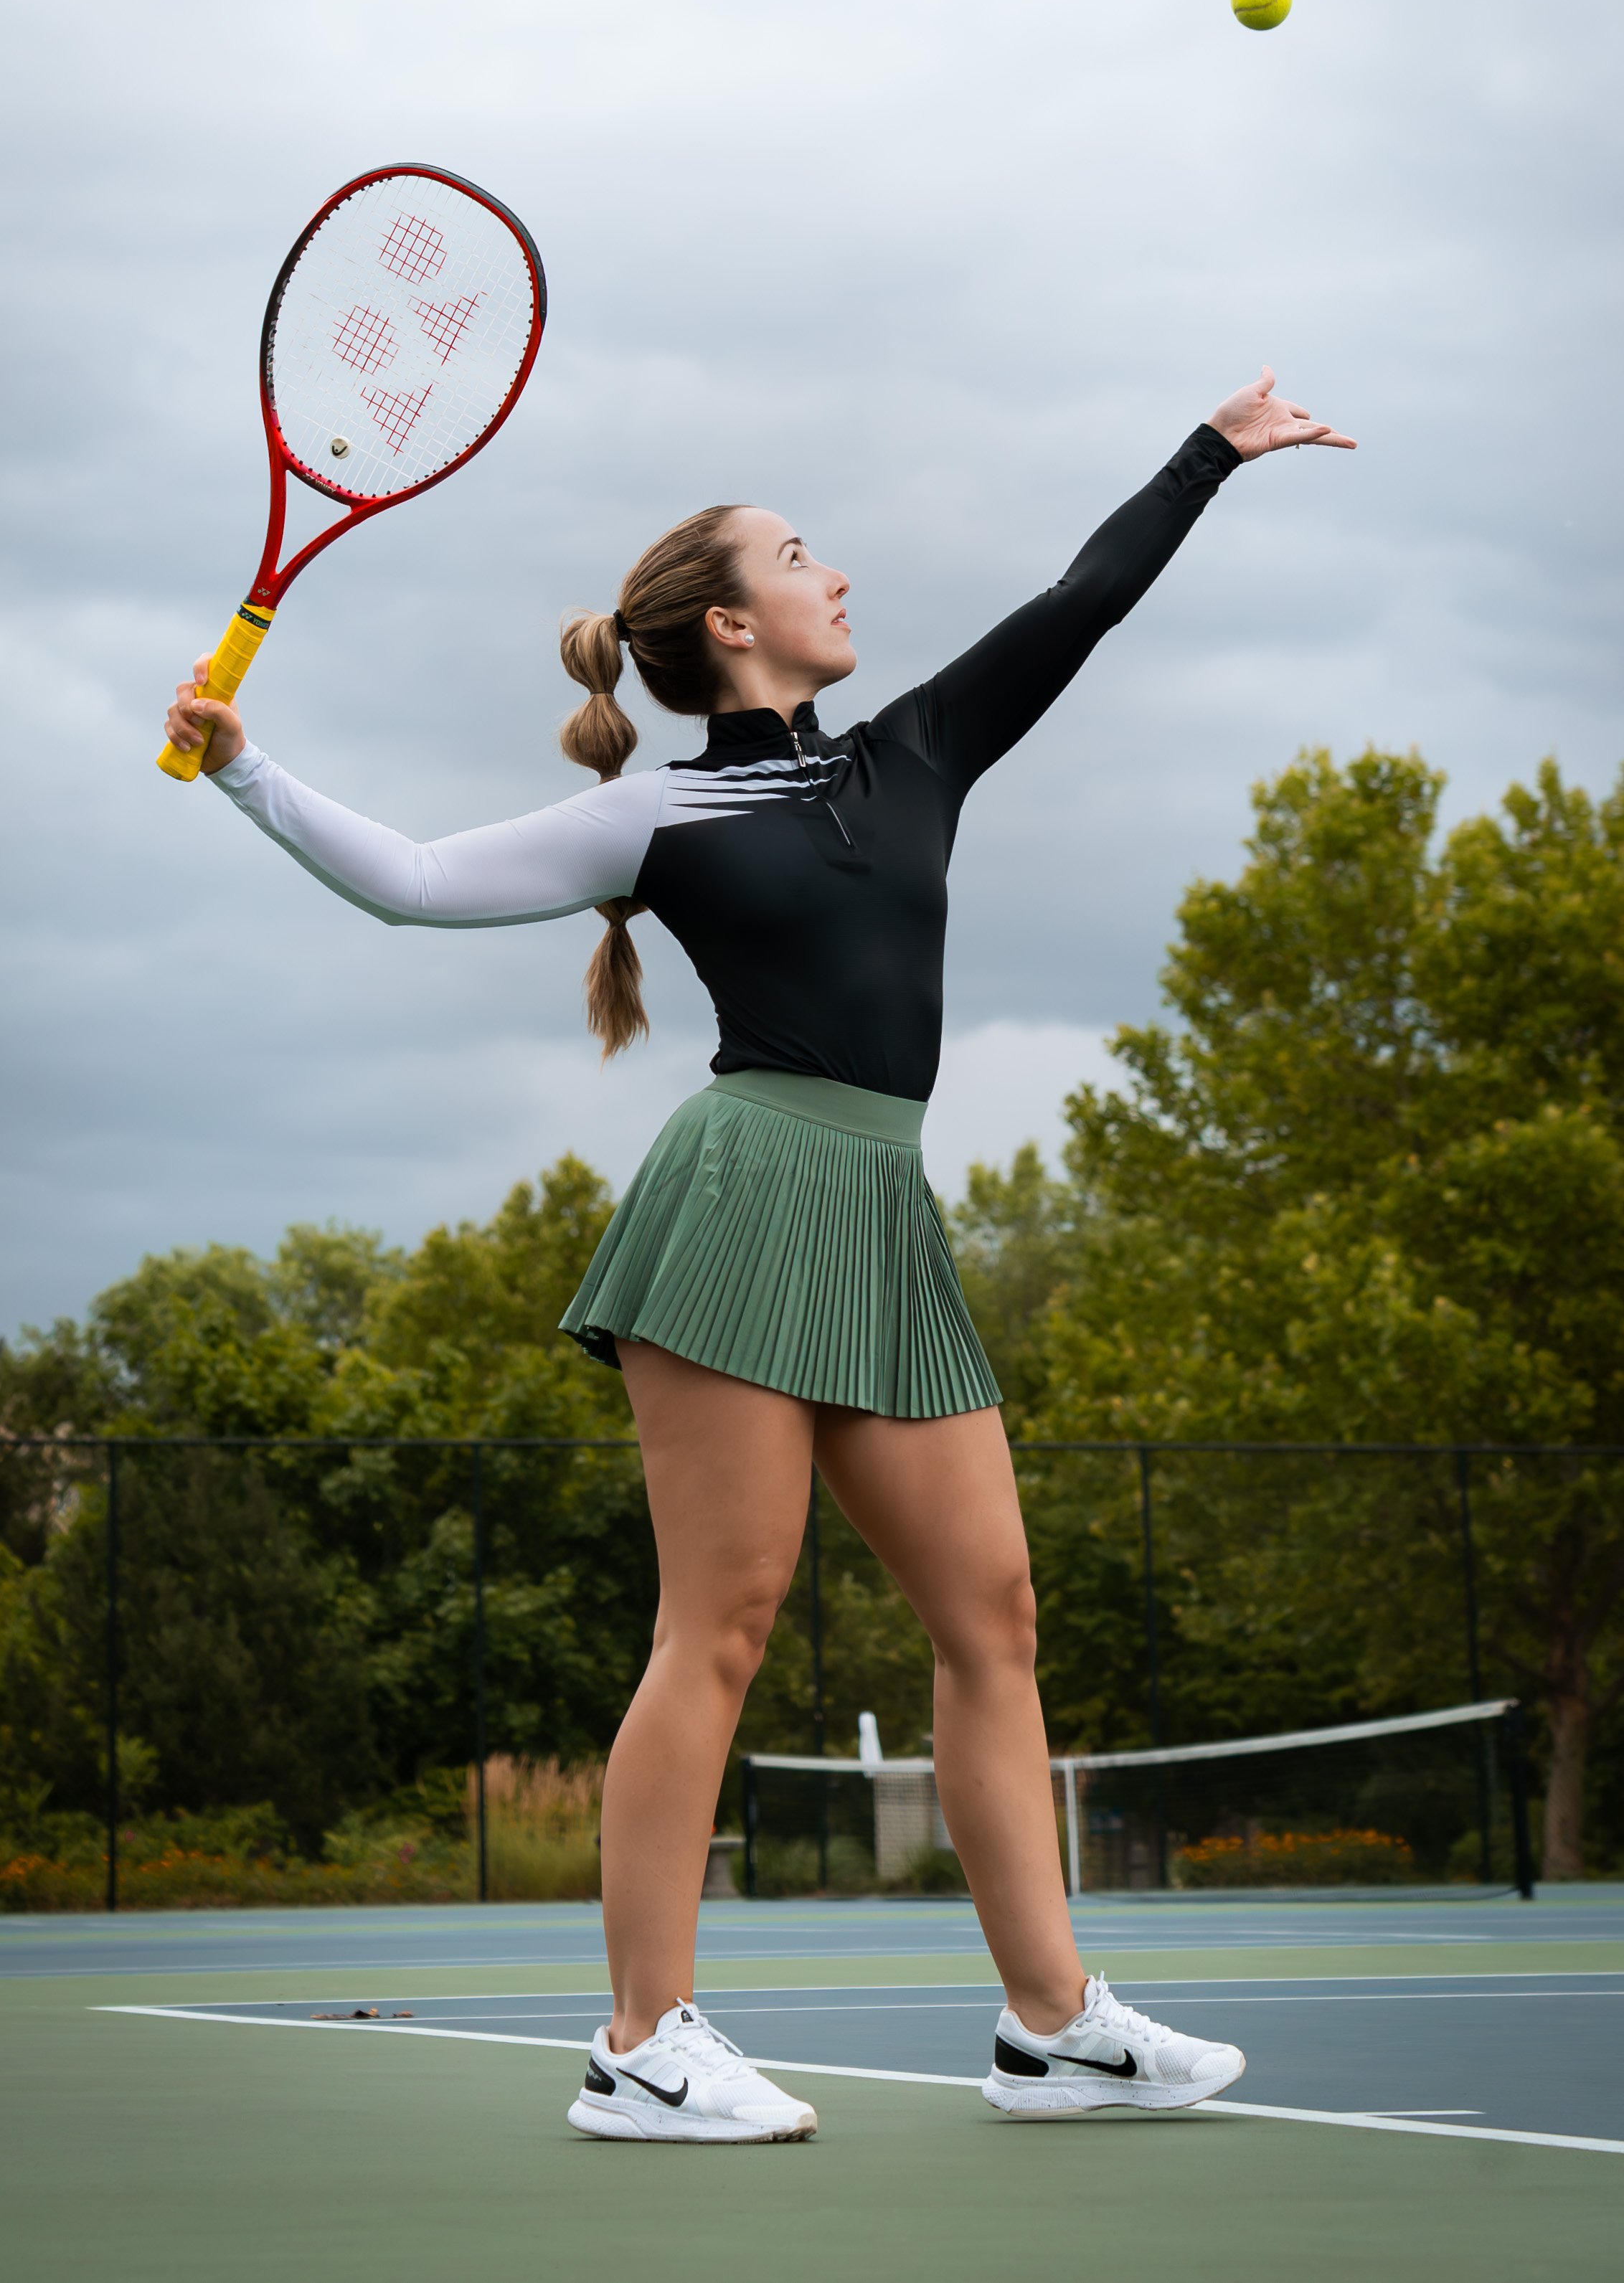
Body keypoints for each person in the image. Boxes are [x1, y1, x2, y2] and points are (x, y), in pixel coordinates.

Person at [165, 366, 1354, 2145]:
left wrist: (1210, 451)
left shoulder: (917, 751)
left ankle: (1050, 2024)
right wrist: (249, 769)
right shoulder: (663, 815)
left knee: (996, 1615)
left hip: (883, 1208)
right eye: (806, 558)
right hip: (741, 1202)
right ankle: (642, 2038)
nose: (843, 578)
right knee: (718, 1624)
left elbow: (1081, 601)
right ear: (734, 622)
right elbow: (414, 877)